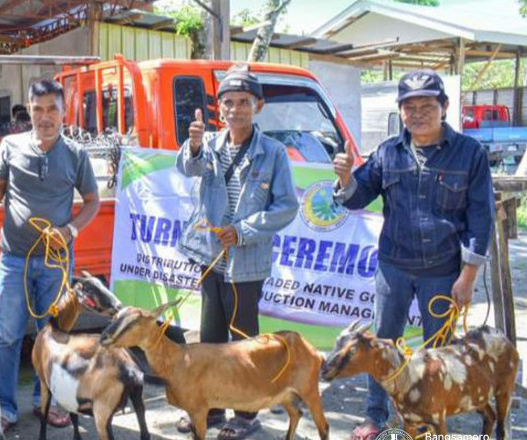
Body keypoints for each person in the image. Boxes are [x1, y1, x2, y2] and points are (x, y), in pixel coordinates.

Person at [332, 70, 494, 440]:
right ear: (400, 112)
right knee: (382, 345)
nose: (417, 113)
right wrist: (345, 180)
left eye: (426, 105)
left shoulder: (471, 154)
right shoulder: (388, 152)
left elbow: (480, 219)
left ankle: (426, 420)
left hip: (443, 269)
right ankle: (376, 416)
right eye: (409, 107)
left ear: (444, 107)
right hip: (393, 268)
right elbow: (358, 198)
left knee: (437, 353)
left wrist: (467, 277)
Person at [175, 65, 299, 440]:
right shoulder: (209, 144)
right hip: (210, 257)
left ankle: (246, 415)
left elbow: (286, 207)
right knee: (211, 340)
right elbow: (187, 167)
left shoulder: (273, 152)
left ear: (258, 106)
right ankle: (210, 411)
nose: (235, 109)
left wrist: (243, 231)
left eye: (244, 102)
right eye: (228, 102)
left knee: (245, 342)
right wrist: (193, 143)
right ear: (220, 108)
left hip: (247, 262)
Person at [0, 79, 100, 439]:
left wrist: (71, 230)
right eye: (38, 109)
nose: (45, 117)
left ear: (64, 112)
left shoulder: (76, 153)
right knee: (8, 336)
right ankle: (3, 410)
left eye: (52, 109)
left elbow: (92, 201)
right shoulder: (10, 145)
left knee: (56, 336)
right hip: (13, 258)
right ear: (28, 110)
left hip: (56, 261)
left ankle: (47, 402)